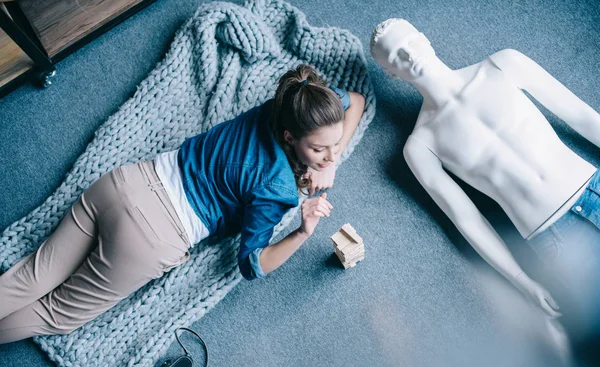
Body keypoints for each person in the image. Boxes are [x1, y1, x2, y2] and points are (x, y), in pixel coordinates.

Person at [0, 64, 366, 344]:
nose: (331, 154)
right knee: (54, 314)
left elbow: (355, 102)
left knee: (33, 274)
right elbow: (252, 264)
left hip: (123, 183)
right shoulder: (278, 187)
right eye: (319, 149)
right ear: (291, 136)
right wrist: (302, 232)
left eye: (335, 145)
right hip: (151, 239)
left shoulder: (289, 105)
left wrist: (329, 159)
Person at [371, 19, 600, 340]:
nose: (409, 55)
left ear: (424, 38)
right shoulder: (420, 146)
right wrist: (522, 281)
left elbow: (579, 114)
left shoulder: (503, 64)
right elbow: (467, 220)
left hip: (593, 184)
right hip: (555, 235)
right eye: (396, 56)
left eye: (410, 42)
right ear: (390, 73)